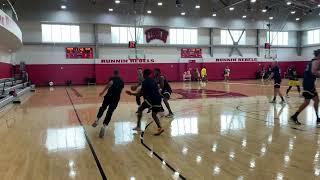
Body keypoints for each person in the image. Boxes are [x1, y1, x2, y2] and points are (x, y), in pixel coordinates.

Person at [126, 69, 165, 135]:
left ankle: (138, 126)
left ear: (144, 74)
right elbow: (158, 89)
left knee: (140, 109)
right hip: (158, 99)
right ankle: (160, 128)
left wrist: (131, 93)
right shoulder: (153, 80)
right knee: (154, 114)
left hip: (151, 99)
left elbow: (139, 94)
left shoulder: (144, 82)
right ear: (150, 74)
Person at [291, 49, 320, 126]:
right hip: (308, 84)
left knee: (316, 100)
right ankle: (295, 116)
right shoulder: (317, 61)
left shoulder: (312, 61)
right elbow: (314, 72)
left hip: (309, 83)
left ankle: (317, 118)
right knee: (307, 102)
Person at [92, 70, 124, 138]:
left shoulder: (112, 78)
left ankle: (97, 120)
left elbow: (110, 84)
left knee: (103, 108)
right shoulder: (122, 81)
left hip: (108, 96)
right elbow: (121, 90)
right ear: (119, 73)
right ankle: (104, 126)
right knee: (110, 112)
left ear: (114, 74)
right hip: (116, 98)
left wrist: (102, 92)